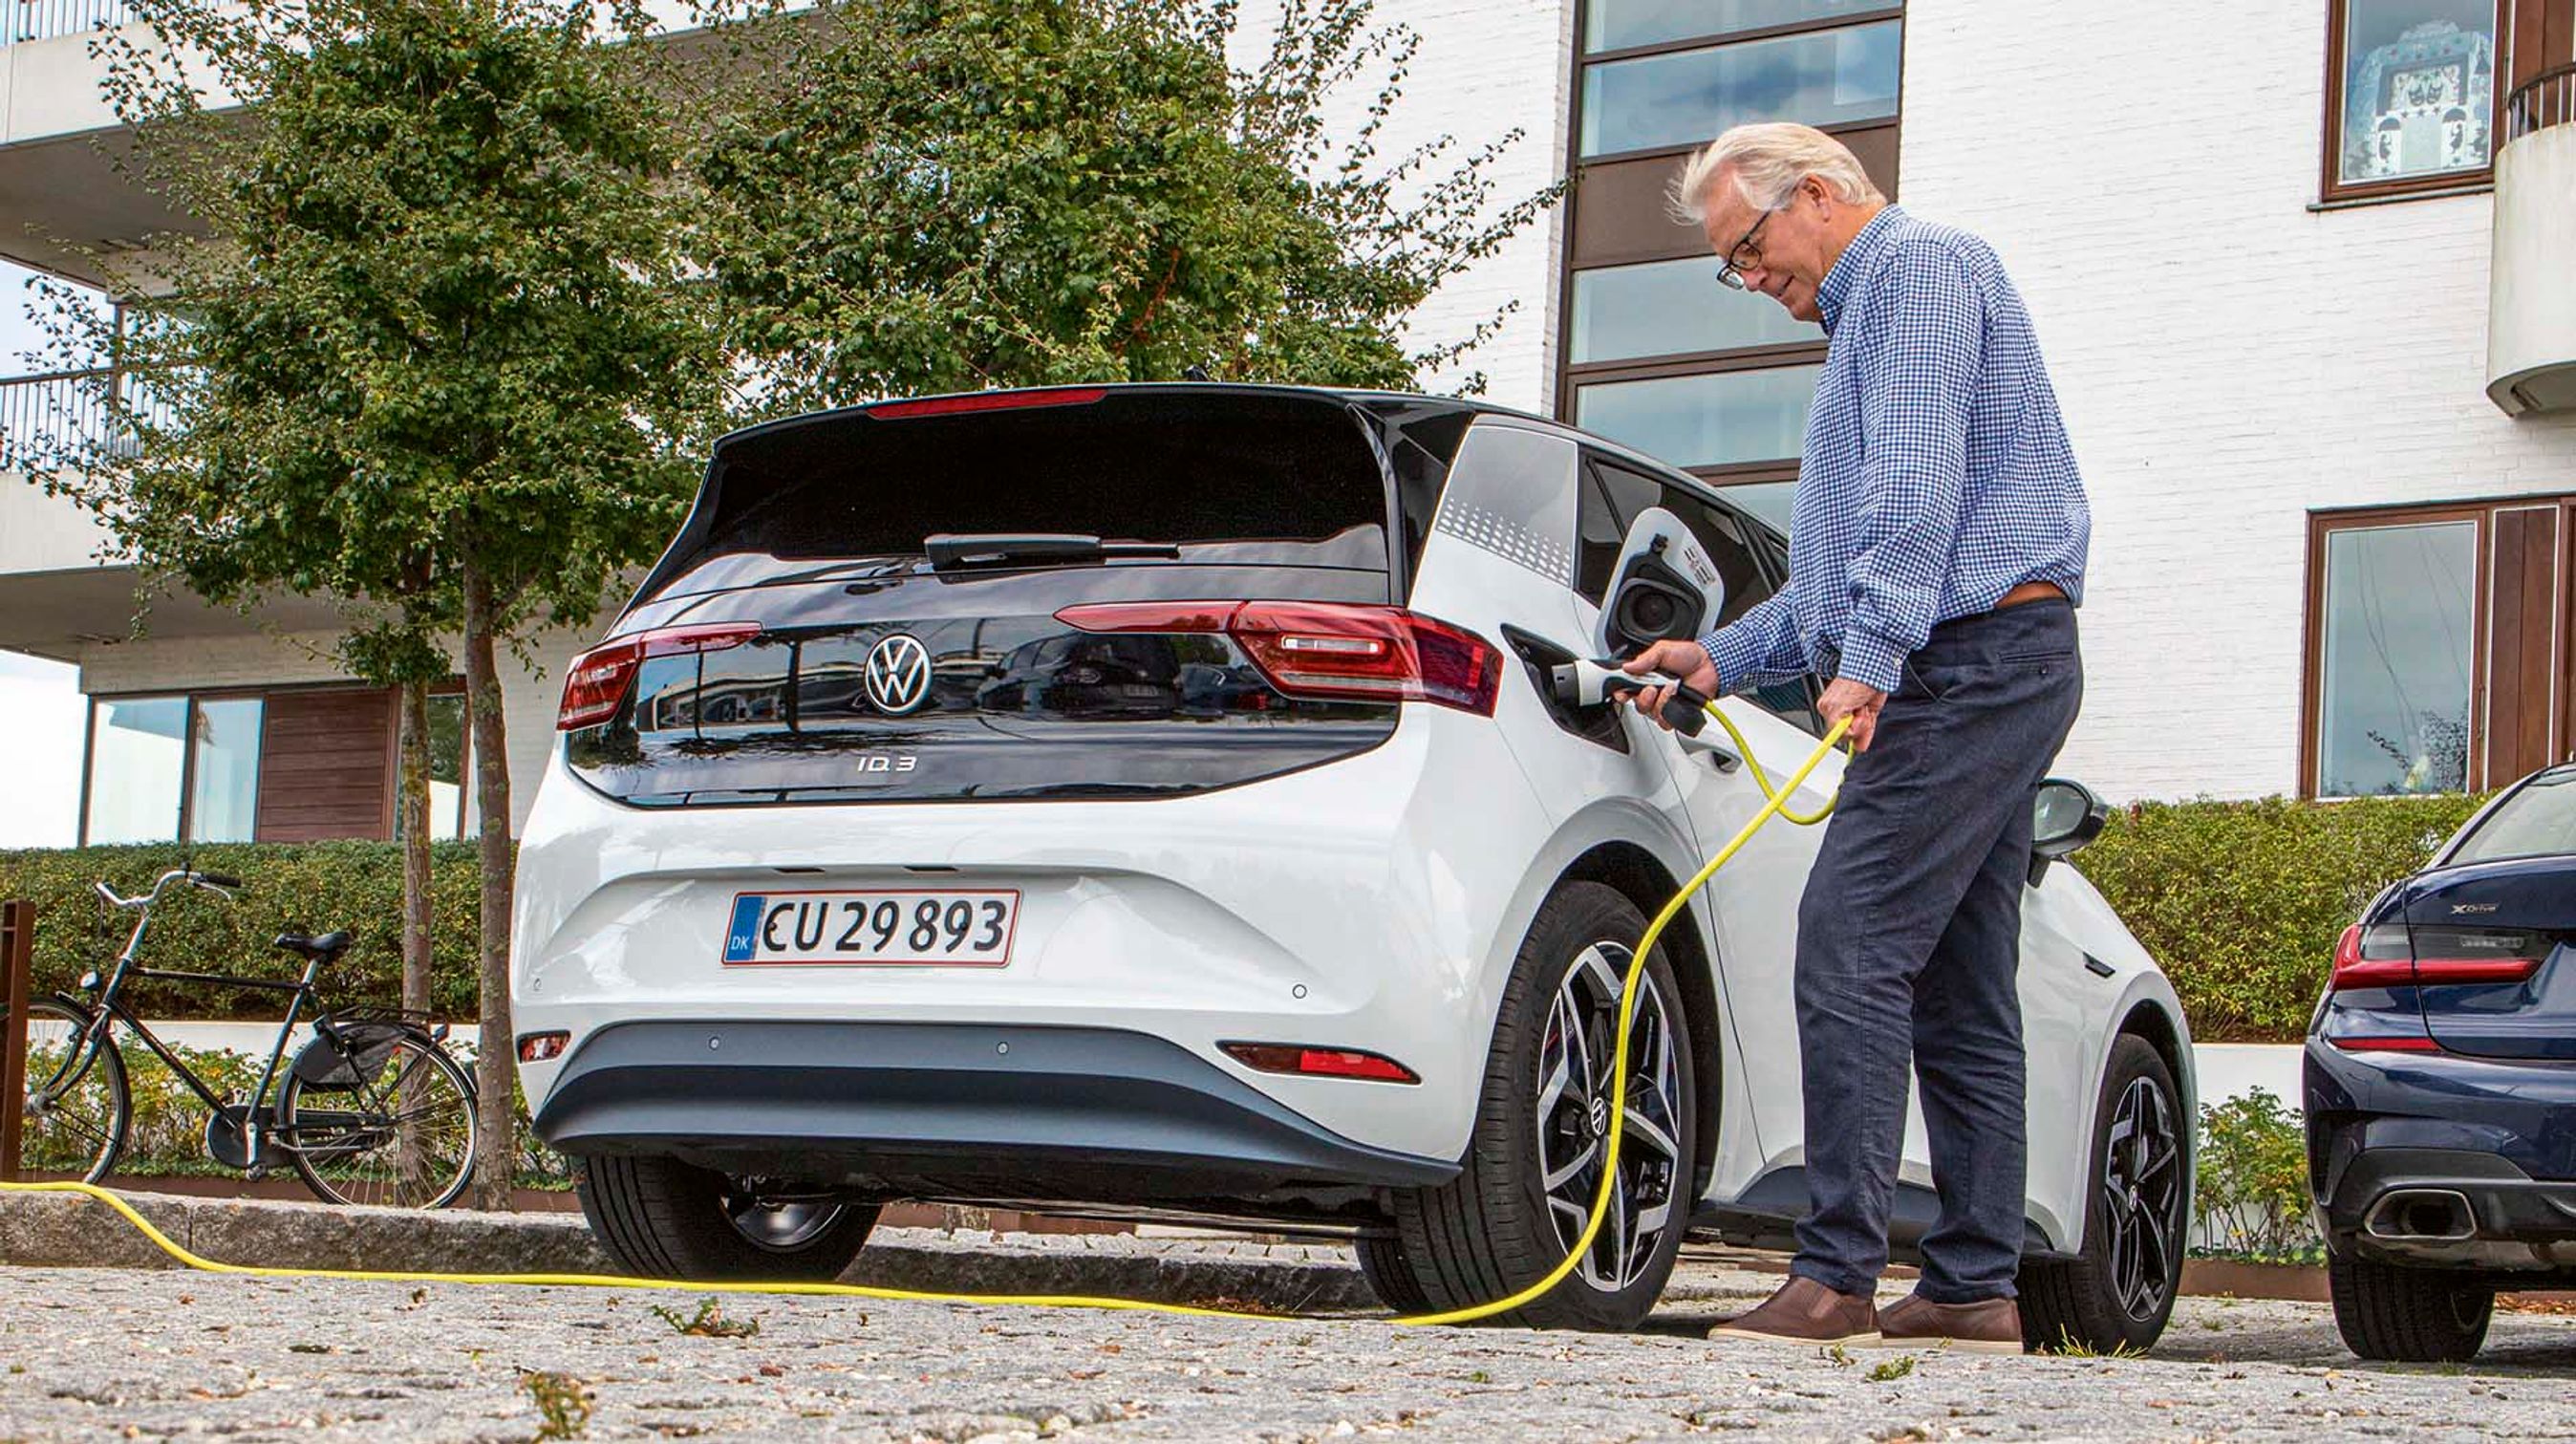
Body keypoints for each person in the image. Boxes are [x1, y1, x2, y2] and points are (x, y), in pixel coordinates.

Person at [1623, 122, 2090, 1354]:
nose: (1753, 280)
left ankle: (1836, 1278)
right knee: (1957, 977)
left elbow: (1917, 500)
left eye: (1752, 247)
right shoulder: (1860, 336)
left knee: (1848, 939)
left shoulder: (1921, 269)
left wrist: (1871, 665)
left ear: (1818, 196)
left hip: (1972, 663)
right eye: (1733, 263)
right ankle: (1977, 1284)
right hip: (1986, 658)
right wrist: (1722, 657)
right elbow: (1837, 575)